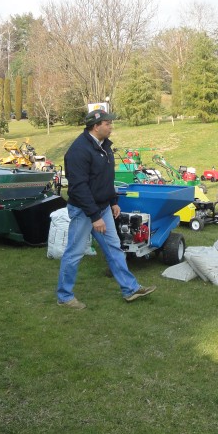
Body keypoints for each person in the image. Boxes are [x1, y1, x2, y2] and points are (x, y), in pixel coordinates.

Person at [56, 109, 155, 309]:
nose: (111, 127)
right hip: (84, 211)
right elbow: (78, 187)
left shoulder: (104, 146)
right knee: (74, 253)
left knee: (114, 248)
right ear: (95, 126)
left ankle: (130, 289)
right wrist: (94, 216)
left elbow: (106, 179)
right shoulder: (79, 150)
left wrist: (113, 201)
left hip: (102, 208)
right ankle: (64, 297)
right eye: (107, 124)